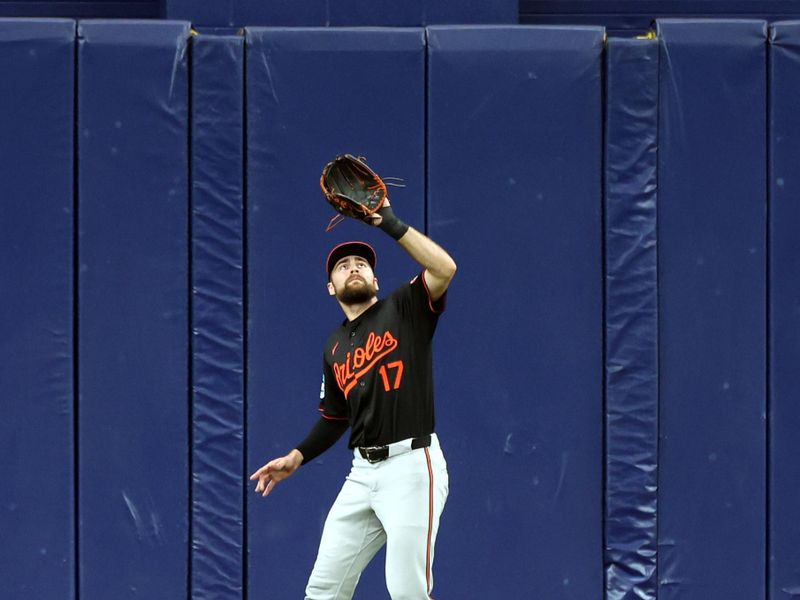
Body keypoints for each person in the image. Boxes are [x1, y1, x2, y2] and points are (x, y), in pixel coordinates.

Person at [250, 199, 457, 600]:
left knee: (407, 592)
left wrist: (390, 222)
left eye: (362, 264)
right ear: (331, 288)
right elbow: (335, 416)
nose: (354, 268)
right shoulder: (334, 346)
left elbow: (444, 269)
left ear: (376, 281)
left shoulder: (404, 307)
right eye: (343, 266)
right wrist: (298, 455)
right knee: (323, 591)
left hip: (412, 466)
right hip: (362, 474)